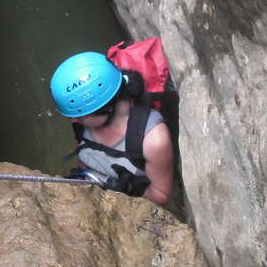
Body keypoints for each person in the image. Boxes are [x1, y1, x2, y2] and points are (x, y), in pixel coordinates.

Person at [50, 51, 174, 205]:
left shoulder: (154, 140)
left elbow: (161, 196)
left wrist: (130, 188)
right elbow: (83, 153)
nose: (73, 120)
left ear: (106, 108)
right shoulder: (82, 120)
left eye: (80, 116)